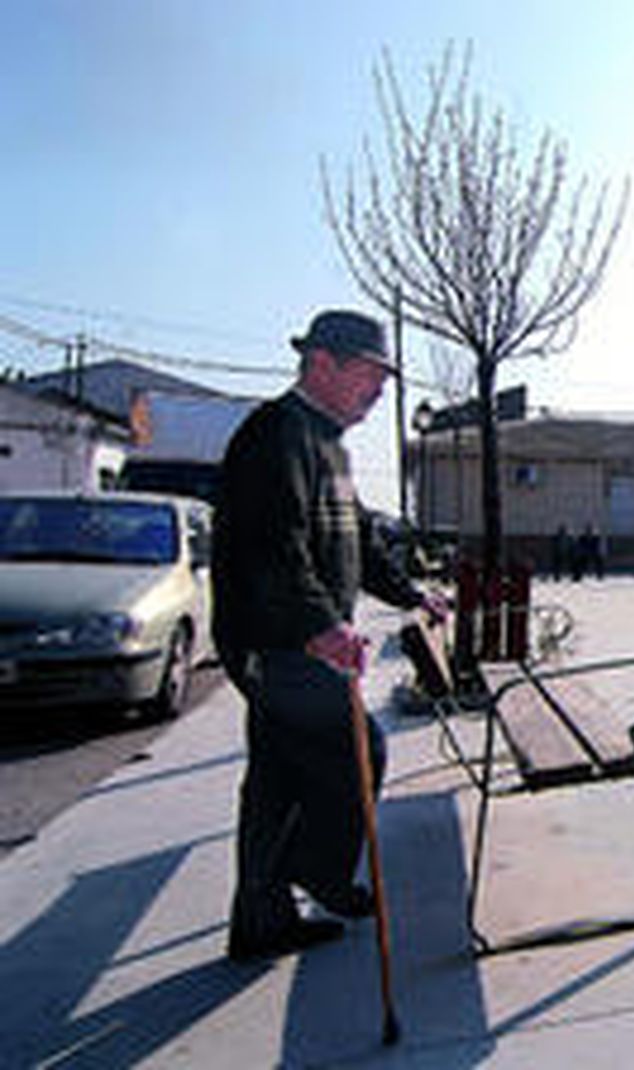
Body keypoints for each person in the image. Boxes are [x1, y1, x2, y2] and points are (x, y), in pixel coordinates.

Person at [213, 308, 446, 962]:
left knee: (277, 783)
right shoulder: (276, 433)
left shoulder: (329, 444)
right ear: (322, 363)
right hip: (279, 641)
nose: (380, 390)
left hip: (300, 638)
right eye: (370, 374)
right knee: (357, 748)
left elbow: (360, 541)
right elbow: (273, 546)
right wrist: (320, 625)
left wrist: (409, 593)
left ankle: (262, 922)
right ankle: (315, 870)